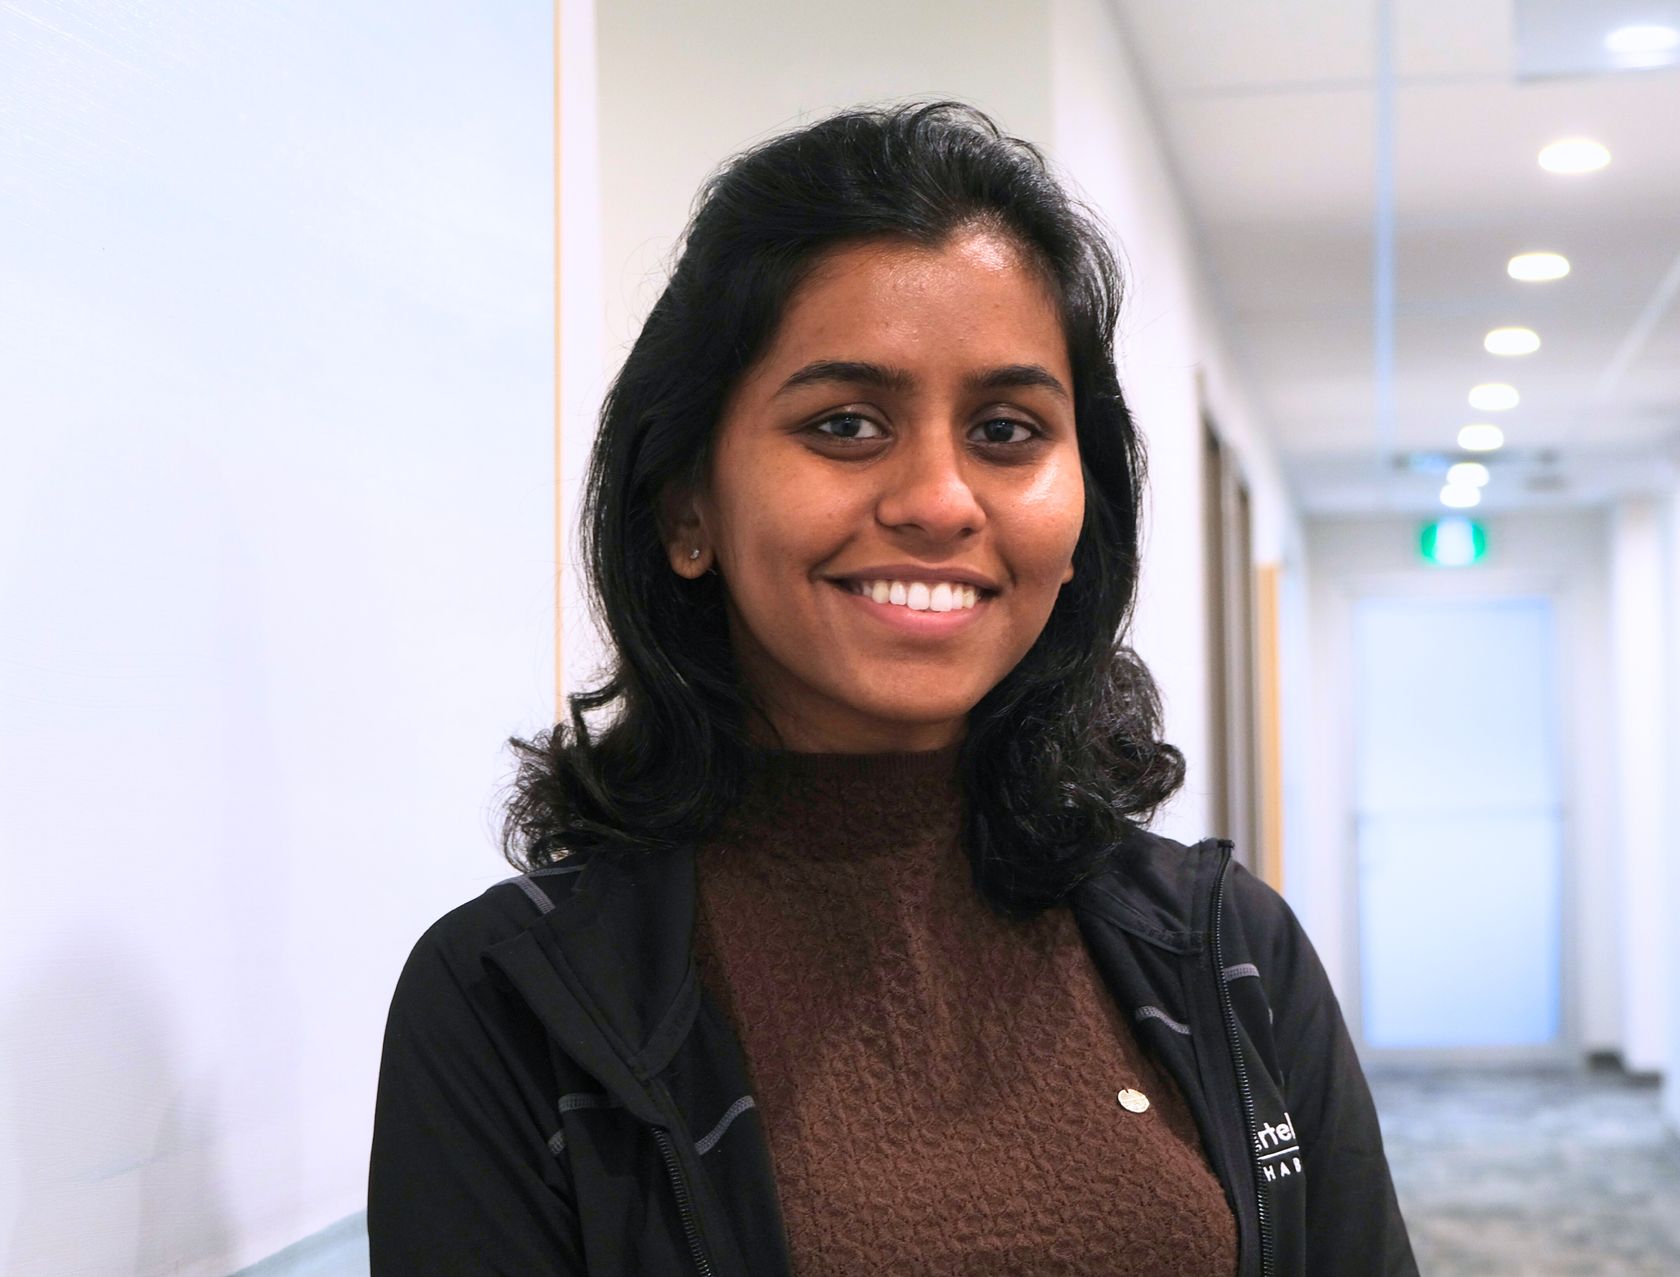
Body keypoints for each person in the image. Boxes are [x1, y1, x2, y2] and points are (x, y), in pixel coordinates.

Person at [366, 100, 1417, 1277]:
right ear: (685, 506)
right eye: (848, 423)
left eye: (1009, 429)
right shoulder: (511, 1000)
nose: (939, 499)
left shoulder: (1226, 947)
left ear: (1082, 519)